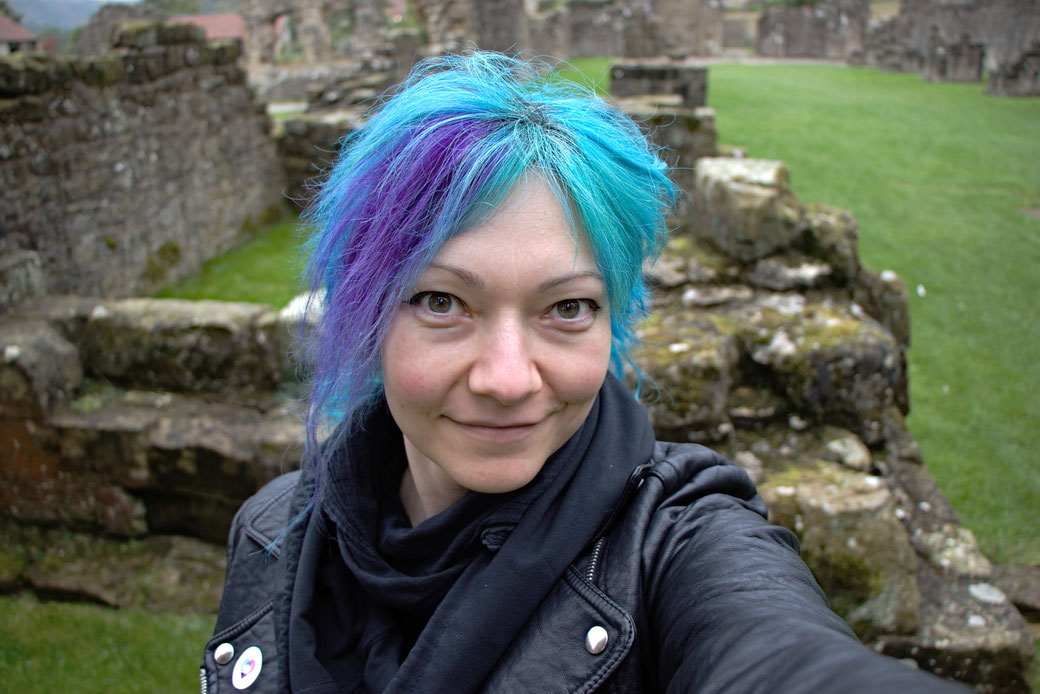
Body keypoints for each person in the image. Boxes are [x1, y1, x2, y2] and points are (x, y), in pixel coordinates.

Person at [202, 52, 970, 693]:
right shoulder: (270, 532)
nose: (508, 379)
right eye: (442, 300)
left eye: (566, 308)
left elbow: (778, 651)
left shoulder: (678, 543)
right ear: (366, 315)